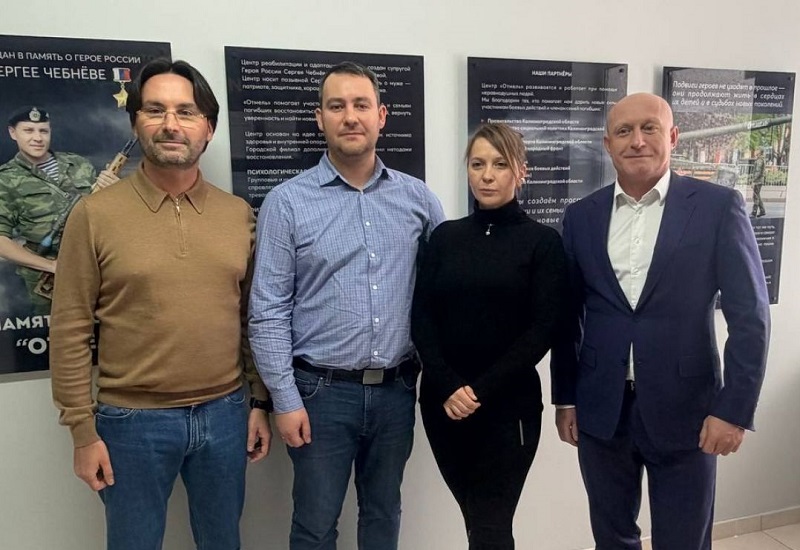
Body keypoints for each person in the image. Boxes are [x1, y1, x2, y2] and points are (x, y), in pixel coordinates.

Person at [49, 58, 272, 550]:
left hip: (226, 414)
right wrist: (82, 432)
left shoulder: (238, 215)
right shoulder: (94, 215)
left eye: (186, 112)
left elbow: (251, 318)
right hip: (132, 422)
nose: (171, 124)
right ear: (136, 123)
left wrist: (258, 401)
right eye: (155, 110)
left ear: (208, 128)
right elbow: (69, 327)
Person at [551, 92, 770, 550]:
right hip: (601, 410)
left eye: (648, 128)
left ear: (672, 137)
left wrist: (733, 409)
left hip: (689, 411)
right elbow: (568, 316)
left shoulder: (717, 207)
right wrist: (566, 398)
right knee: (611, 537)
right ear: (607, 144)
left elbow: (750, 317)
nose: (637, 141)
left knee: (684, 540)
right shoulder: (582, 217)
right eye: (624, 131)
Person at [249, 61, 445, 550]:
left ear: (382, 115)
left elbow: (446, 293)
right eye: (337, 106)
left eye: (361, 105)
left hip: (397, 391)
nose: (350, 116)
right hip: (319, 394)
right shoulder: (287, 203)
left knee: (383, 514)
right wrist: (284, 398)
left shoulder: (419, 200)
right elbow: (268, 308)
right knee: (315, 525)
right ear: (320, 118)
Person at [411, 123, 568, 549]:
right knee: (477, 522)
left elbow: (542, 330)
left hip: (507, 409)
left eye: (500, 165)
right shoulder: (446, 237)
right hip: (444, 405)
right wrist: (448, 385)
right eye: (477, 164)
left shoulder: (542, 243)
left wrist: (478, 391)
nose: (487, 175)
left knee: (490, 525)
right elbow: (422, 317)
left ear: (521, 172)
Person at [0, 106, 118, 312]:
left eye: (43, 131)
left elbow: (107, 216)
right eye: (28, 130)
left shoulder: (79, 164)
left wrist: (115, 191)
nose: (38, 138)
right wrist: (52, 266)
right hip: (45, 284)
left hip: (96, 271)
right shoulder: (5, 179)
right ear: (13, 133)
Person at [751, 148, 766, 217]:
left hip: (757, 181)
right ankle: (762, 211)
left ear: (759, 152)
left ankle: (754, 212)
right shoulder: (761, 159)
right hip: (759, 181)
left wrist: (754, 181)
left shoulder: (759, 160)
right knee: (758, 196)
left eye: (757, 150)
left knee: (755, 196)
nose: (755, 151)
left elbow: (758, 172)